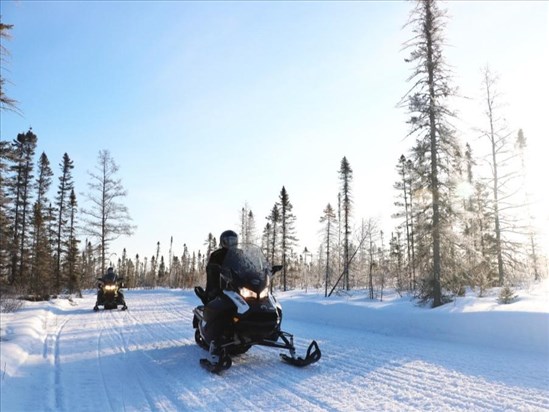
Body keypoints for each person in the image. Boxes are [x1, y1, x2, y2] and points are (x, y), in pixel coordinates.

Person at [202, 230, 238, 364]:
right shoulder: (216, 254)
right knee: (221, 306)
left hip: (237, 286)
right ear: (223, 241)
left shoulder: (240, 255)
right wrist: (216, 269)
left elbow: (248, 265)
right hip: (219, 286)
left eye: (233, 241)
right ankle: (216, 338)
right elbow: (211, 268)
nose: (231, 243)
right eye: (228, 241)